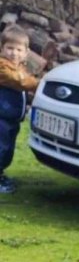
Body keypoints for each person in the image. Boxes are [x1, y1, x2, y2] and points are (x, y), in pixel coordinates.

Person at [0, 24, 39, 194]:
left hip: (11, 118)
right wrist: (39, 84)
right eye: (9, 48)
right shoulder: (3, 68)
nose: (13, 53)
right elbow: (20, 82)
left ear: (26, 53)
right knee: (1, 147)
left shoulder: (19, 68)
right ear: (2, 48)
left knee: (7, 148)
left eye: (18, 49)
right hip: (2, 117)